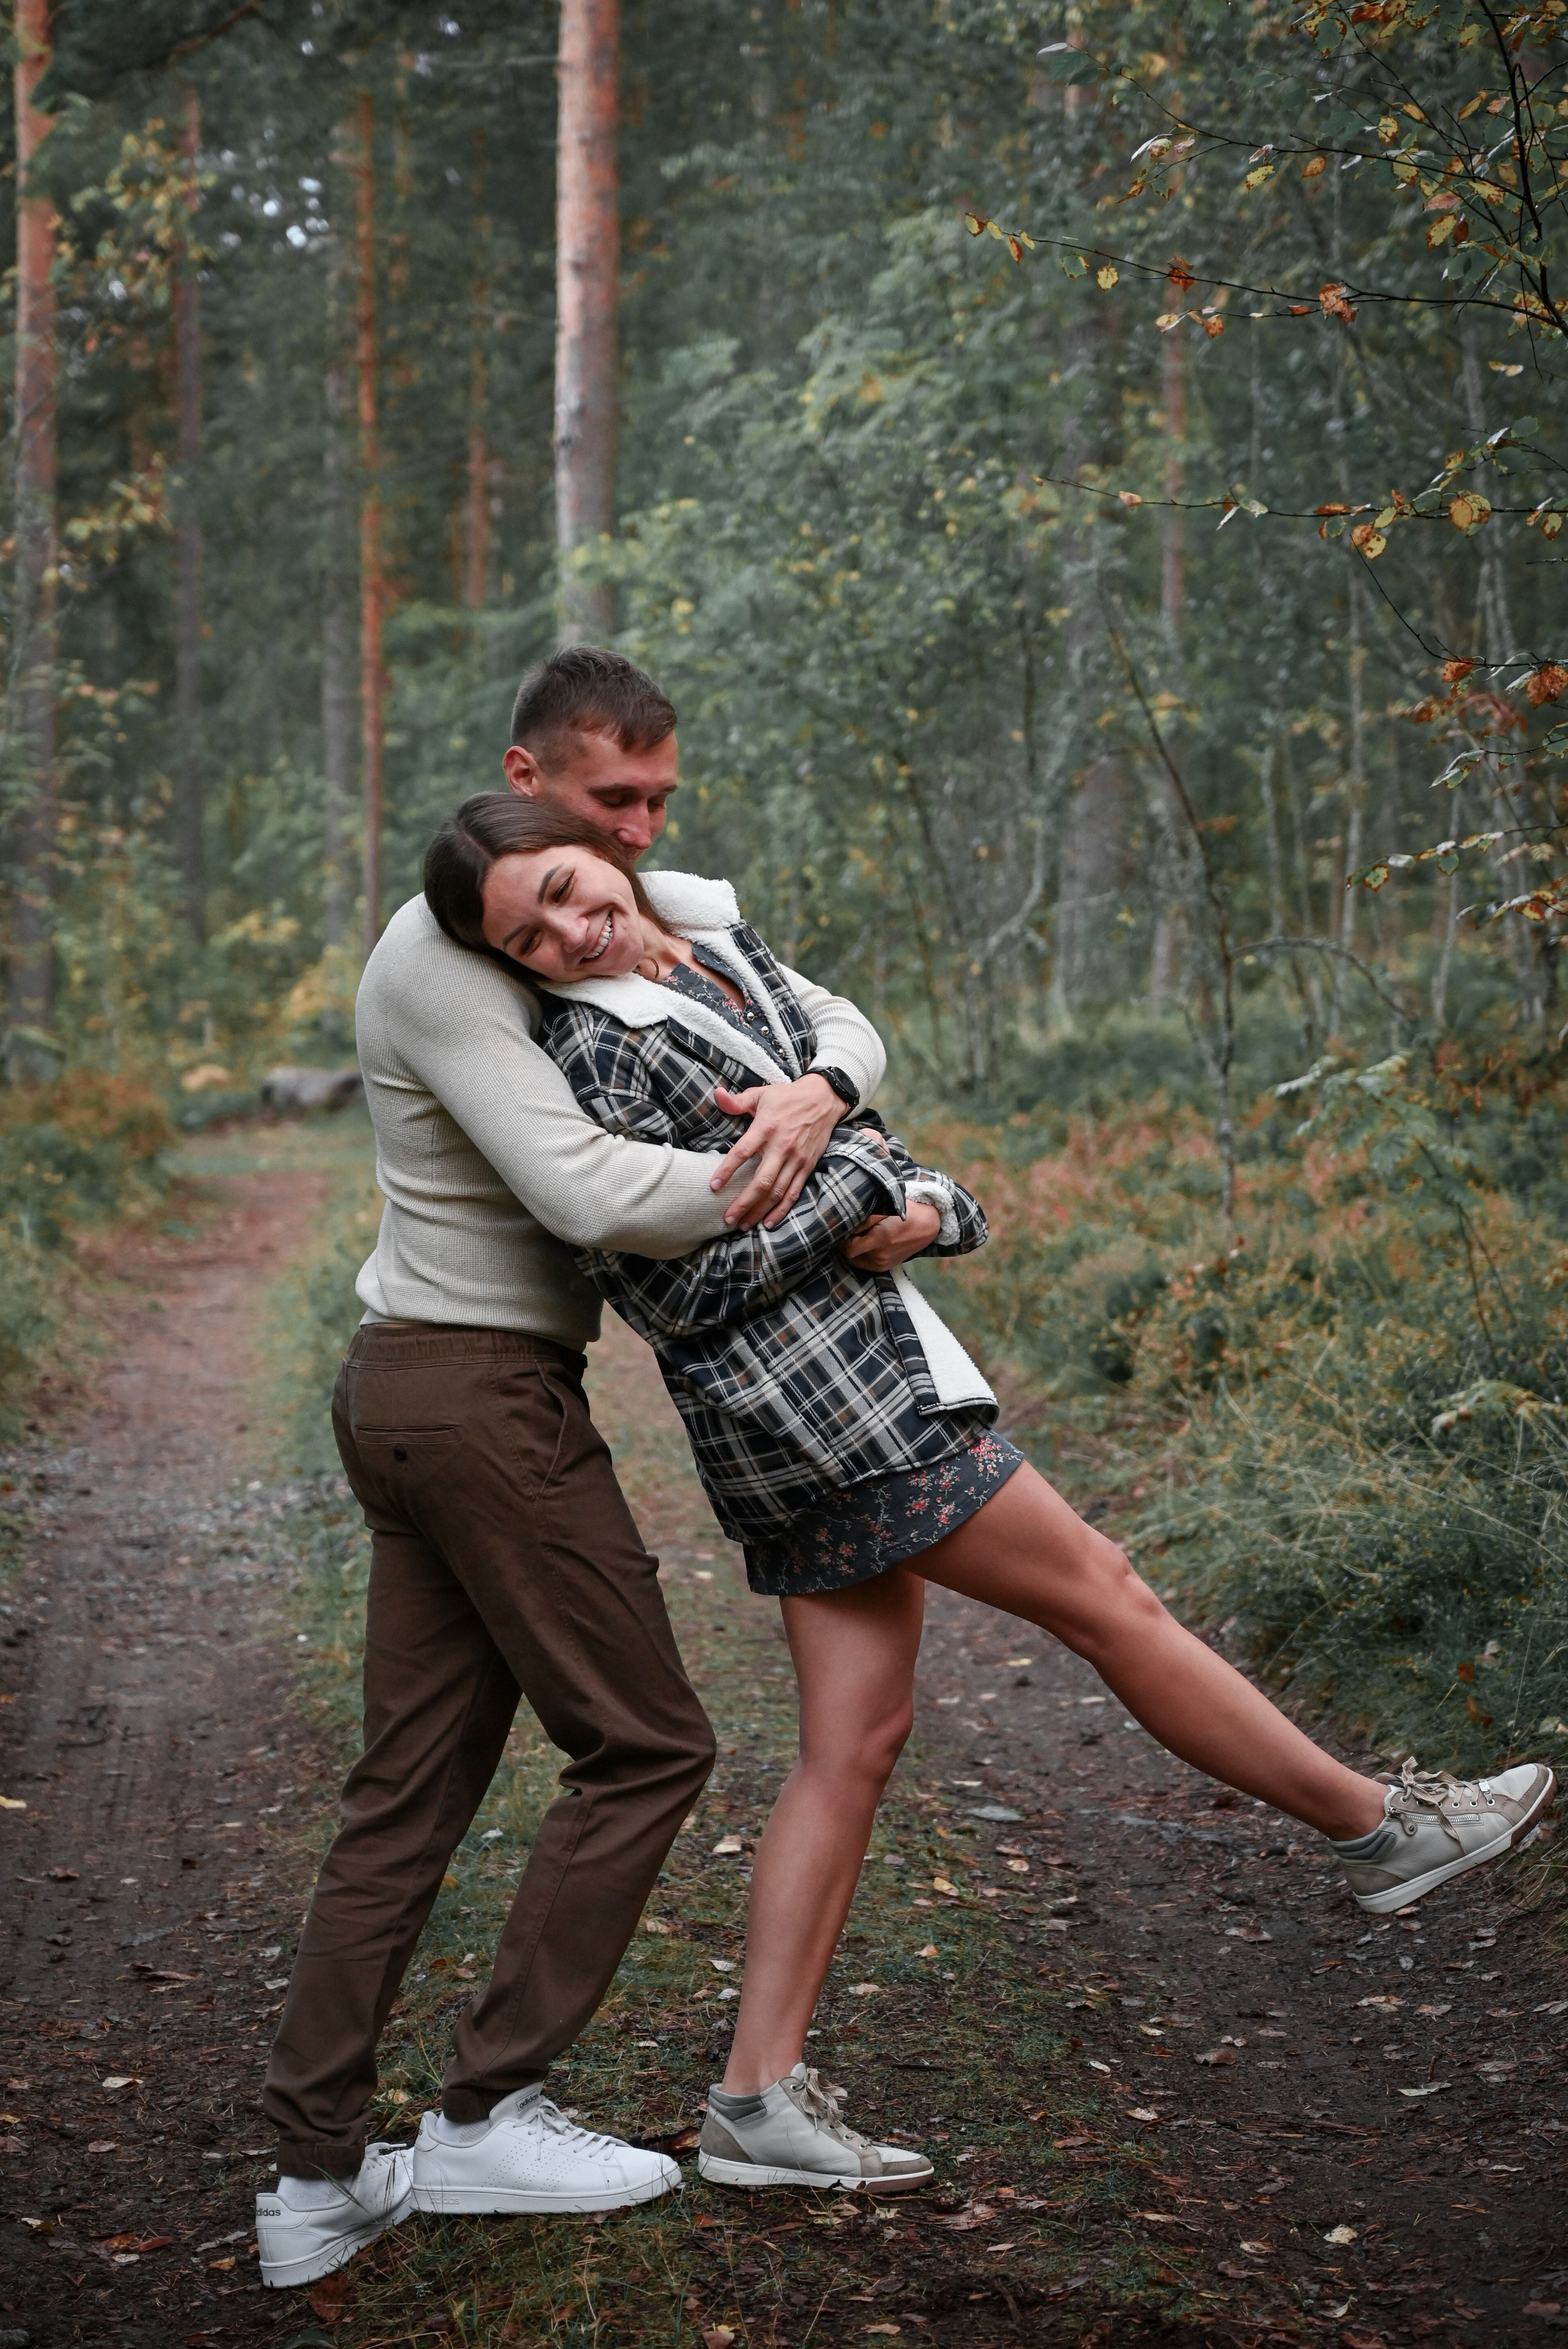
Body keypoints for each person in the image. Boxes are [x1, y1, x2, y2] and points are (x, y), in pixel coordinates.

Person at [423, 791, 1558, 2198]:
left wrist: (917, 1201)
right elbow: (676, 1285)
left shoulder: (718, 954)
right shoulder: (591, 1052)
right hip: (824, 1416)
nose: (568, 930)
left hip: (871, 1379)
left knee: (855, 1744)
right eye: (529, 936)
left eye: (567, 887)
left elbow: (869, 1137)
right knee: (1106, 1594)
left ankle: (753, 2102)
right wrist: (853, 1192)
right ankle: (1379, 1828)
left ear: (603, 854)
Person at [255, 649, 939, 2290]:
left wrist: (825, 1080)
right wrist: (813, 1172)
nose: (620, 864)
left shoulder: (611, 880)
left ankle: (309, 2176)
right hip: (476, 1393)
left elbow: (800, 978)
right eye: (597, 818)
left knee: (409, 1785)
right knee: (645, 1739)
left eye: (646, 816)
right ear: (523, 783)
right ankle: (490, 2110)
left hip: (430, 1381)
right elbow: (586, 1192)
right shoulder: (440, 956)